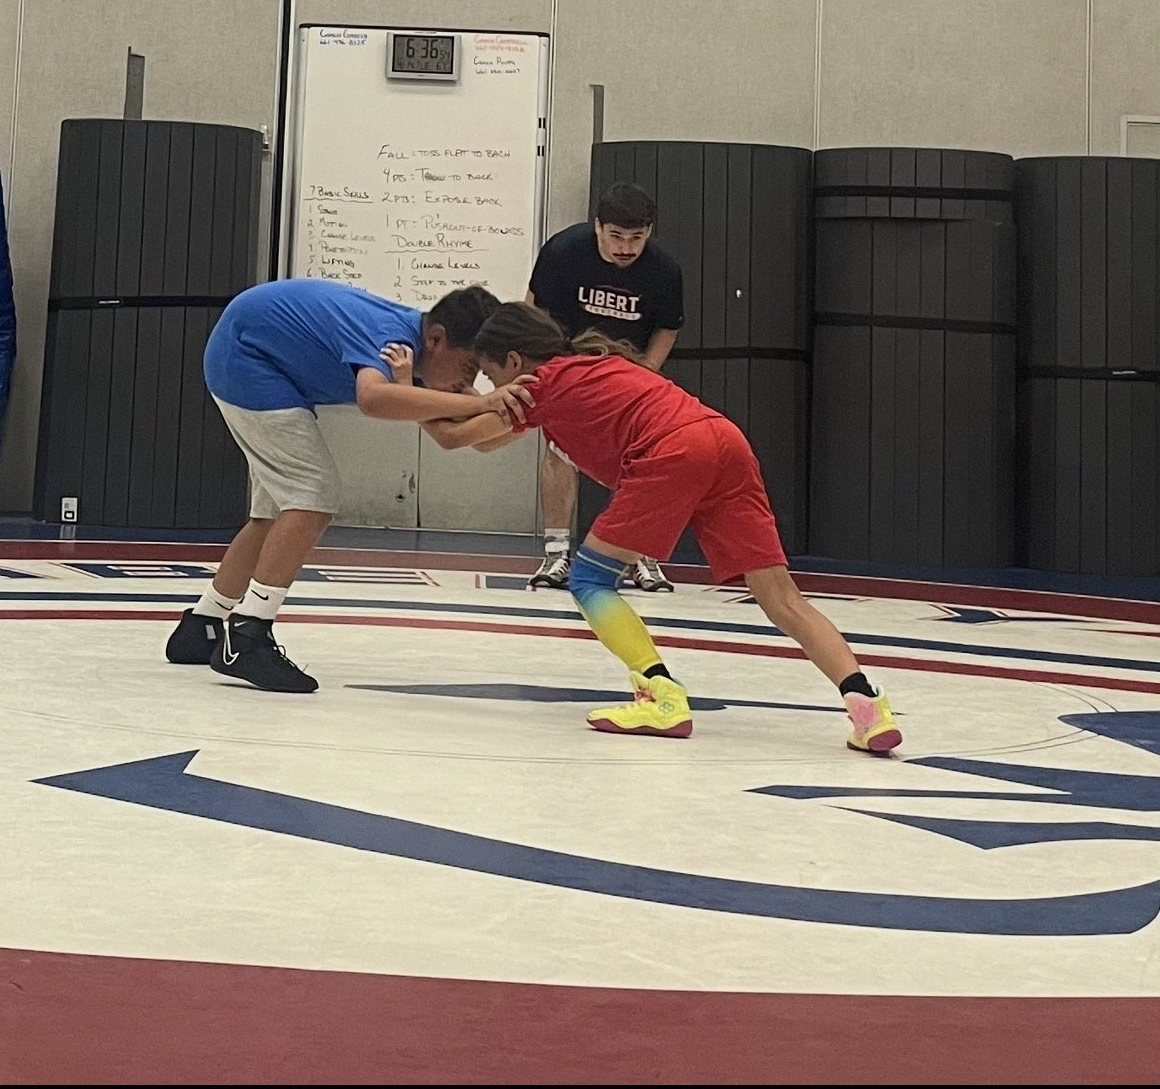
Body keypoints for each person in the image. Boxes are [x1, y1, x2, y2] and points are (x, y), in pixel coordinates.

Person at [391, 302, 902, 751]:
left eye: (486, 373)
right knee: (781, 597)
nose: (486, 388)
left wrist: (405, 391)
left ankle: (659, 694)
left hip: (673, 452)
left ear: (516, 363)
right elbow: (489, 438)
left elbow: (463, 440)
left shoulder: (538, 385)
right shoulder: (595, 362)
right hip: (724, 440)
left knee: (590, 579)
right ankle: (866, 706)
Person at [164, 278, 533, 693]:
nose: (471, 384)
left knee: (273, 516)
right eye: (469, 370)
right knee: (312, 497)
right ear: (437, 339)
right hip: (246, 358)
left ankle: (203, 625)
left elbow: (455, 436)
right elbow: (373, 399)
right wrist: (482, 402)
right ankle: (248, 635)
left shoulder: (416, 363)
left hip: (255, 356)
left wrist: (532, 417)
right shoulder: (391, 339)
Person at [525, 182, 684, 593]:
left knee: (642, 463)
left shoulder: (664, 270)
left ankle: (639, 557)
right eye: (616, 236)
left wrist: (648, 371)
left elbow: (668, 327)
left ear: (649, 232)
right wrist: (541, 366)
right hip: (569, 364)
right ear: (597, 227)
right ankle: (557, 553)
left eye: (636, 237)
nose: (625, 247)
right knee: (559, 451)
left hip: (628, 373)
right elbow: (532, 310)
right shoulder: (563, 252)